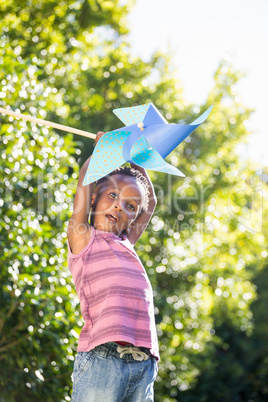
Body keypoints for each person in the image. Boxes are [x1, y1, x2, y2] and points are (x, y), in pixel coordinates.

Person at [67, 132, 159, 402]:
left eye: (130, 206)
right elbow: (86, 178)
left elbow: (150, 202)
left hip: (144, 363)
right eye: (112, 195)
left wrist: (136, 159)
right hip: (103, 357)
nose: (119, 206)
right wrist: (103, 150)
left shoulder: (127, 241)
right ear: (94, 198)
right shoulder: (84, 236)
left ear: (134, 217)